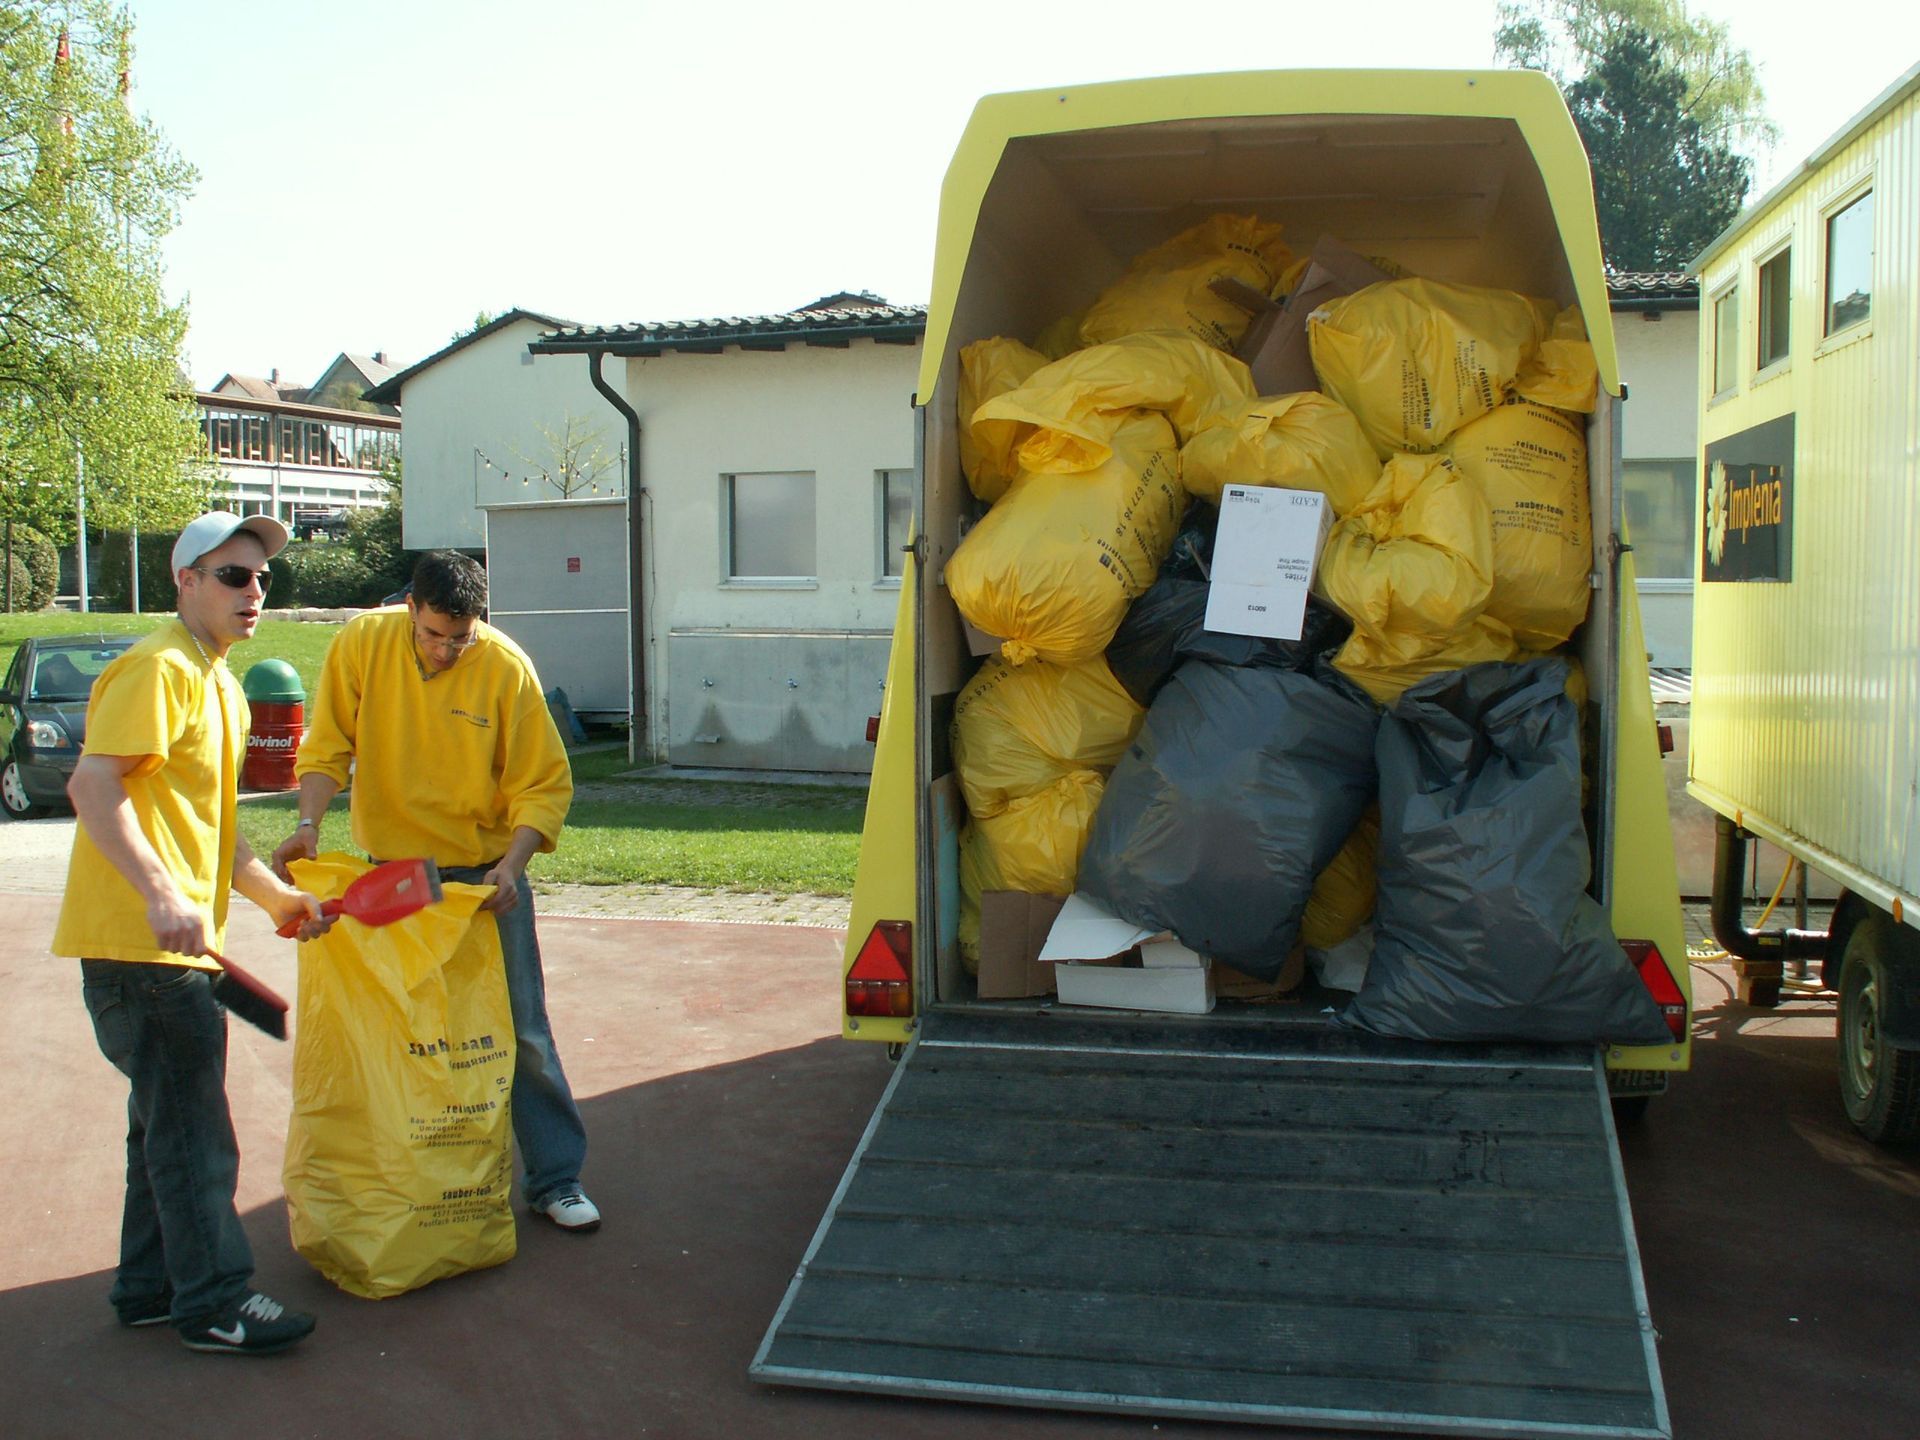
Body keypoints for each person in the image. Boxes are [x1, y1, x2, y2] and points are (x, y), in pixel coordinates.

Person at [57, 510, 333, 1356]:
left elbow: (212, 828)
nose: (253, 593)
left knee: (164, 1127)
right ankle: (213, 1299)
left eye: (261, 579)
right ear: (185, 580)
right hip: (142, 953)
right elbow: (92, 784)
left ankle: (149, 1286)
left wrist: (272, 899)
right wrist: (158, 894)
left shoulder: (216, 679)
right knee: (195, 1135)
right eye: (232, 576)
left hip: (172, 949)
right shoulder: (158, 669)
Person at [271, 550, 597, 1231]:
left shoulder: (505, 667)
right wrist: (308, 823)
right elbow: (327, 746)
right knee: (406, 1033)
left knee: (522, 1029)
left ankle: (555, 1179)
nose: (447, 650)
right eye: (433, 635)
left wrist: (512, 864)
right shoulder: (363, 641)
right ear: (410, 607)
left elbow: (542, 784)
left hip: (483, 881)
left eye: (461, 637)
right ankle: (413, 1174)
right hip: (393, 875)